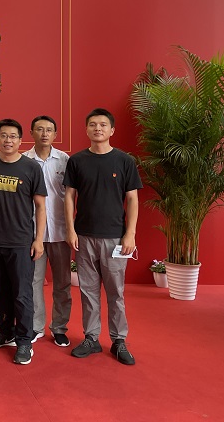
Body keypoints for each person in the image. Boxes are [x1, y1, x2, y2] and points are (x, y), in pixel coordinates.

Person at [64, 108, 142, 365]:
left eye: (103, 125)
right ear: (86, 129)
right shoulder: (77, 161)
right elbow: (69, 197)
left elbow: (132, 199)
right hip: (84, 236)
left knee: (115, 292)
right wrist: (70, 229)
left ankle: (119, 340)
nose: (98, 128)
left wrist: (130, 234)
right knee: (88, 291)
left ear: (112, 130)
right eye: (93, 124)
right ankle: (91, 337)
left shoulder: (124, 161)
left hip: (115, 238)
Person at [0, 119, 46, 365]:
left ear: (20, 140)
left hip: (20, 242)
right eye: (4, 136)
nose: (8, 140)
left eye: (13, 136)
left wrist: (39, 240)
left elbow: (40, 207)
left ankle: (24, 340)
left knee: (22, 294)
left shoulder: (31, 168)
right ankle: (6, 331)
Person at [23, 115, 72, 347]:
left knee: (62, 283)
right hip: (34, 234)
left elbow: (72, 195)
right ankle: (36, 326)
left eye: (49, 130)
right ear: (31, 133)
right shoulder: (24, 160)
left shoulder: (65, 160)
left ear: (55, 134)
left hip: (61, 232)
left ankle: (60, 327)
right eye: (40, 129)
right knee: (34, 281)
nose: (44, 134)